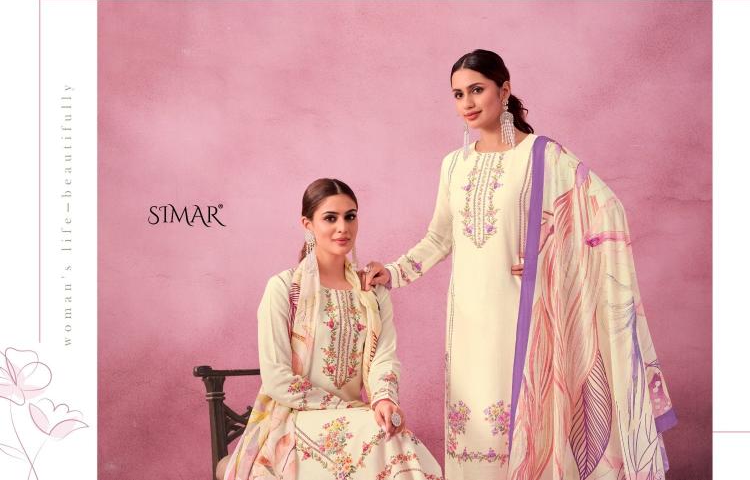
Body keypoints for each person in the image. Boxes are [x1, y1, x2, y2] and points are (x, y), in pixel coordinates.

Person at [361, 49, 677, 480]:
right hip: (467, 323)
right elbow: (439, 238)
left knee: (524, 424)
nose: (467, 103)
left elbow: (603, 211)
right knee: (473, 434)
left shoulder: (543, 156)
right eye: (458, 94)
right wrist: (395, 272)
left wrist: (549, 255)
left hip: (523, 317)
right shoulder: (454, 165)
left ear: (504, 90)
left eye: (477, 90)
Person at [218, 178, 443, 480]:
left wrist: (383, 399)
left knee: (390, 433)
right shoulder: (284, 288)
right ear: (307, 224)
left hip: (356, 419)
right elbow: (276, 379)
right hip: (292, 421)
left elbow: (384, 358)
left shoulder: (372, 293)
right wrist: (346, 408)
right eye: (330, 218)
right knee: (379, 435)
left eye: (350, 216)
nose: (343, 227)